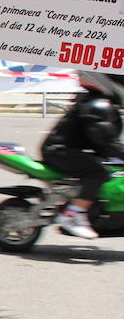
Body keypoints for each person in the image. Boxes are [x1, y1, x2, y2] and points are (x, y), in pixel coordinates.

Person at [42, 69, 124, 239]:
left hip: (67, 149)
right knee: (98, 173)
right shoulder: (97, 106)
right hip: (60, 151)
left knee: (112, 170)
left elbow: (105, 143)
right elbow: (108, 143)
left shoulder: (99, 102)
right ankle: (73, 215)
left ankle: (91, 207)